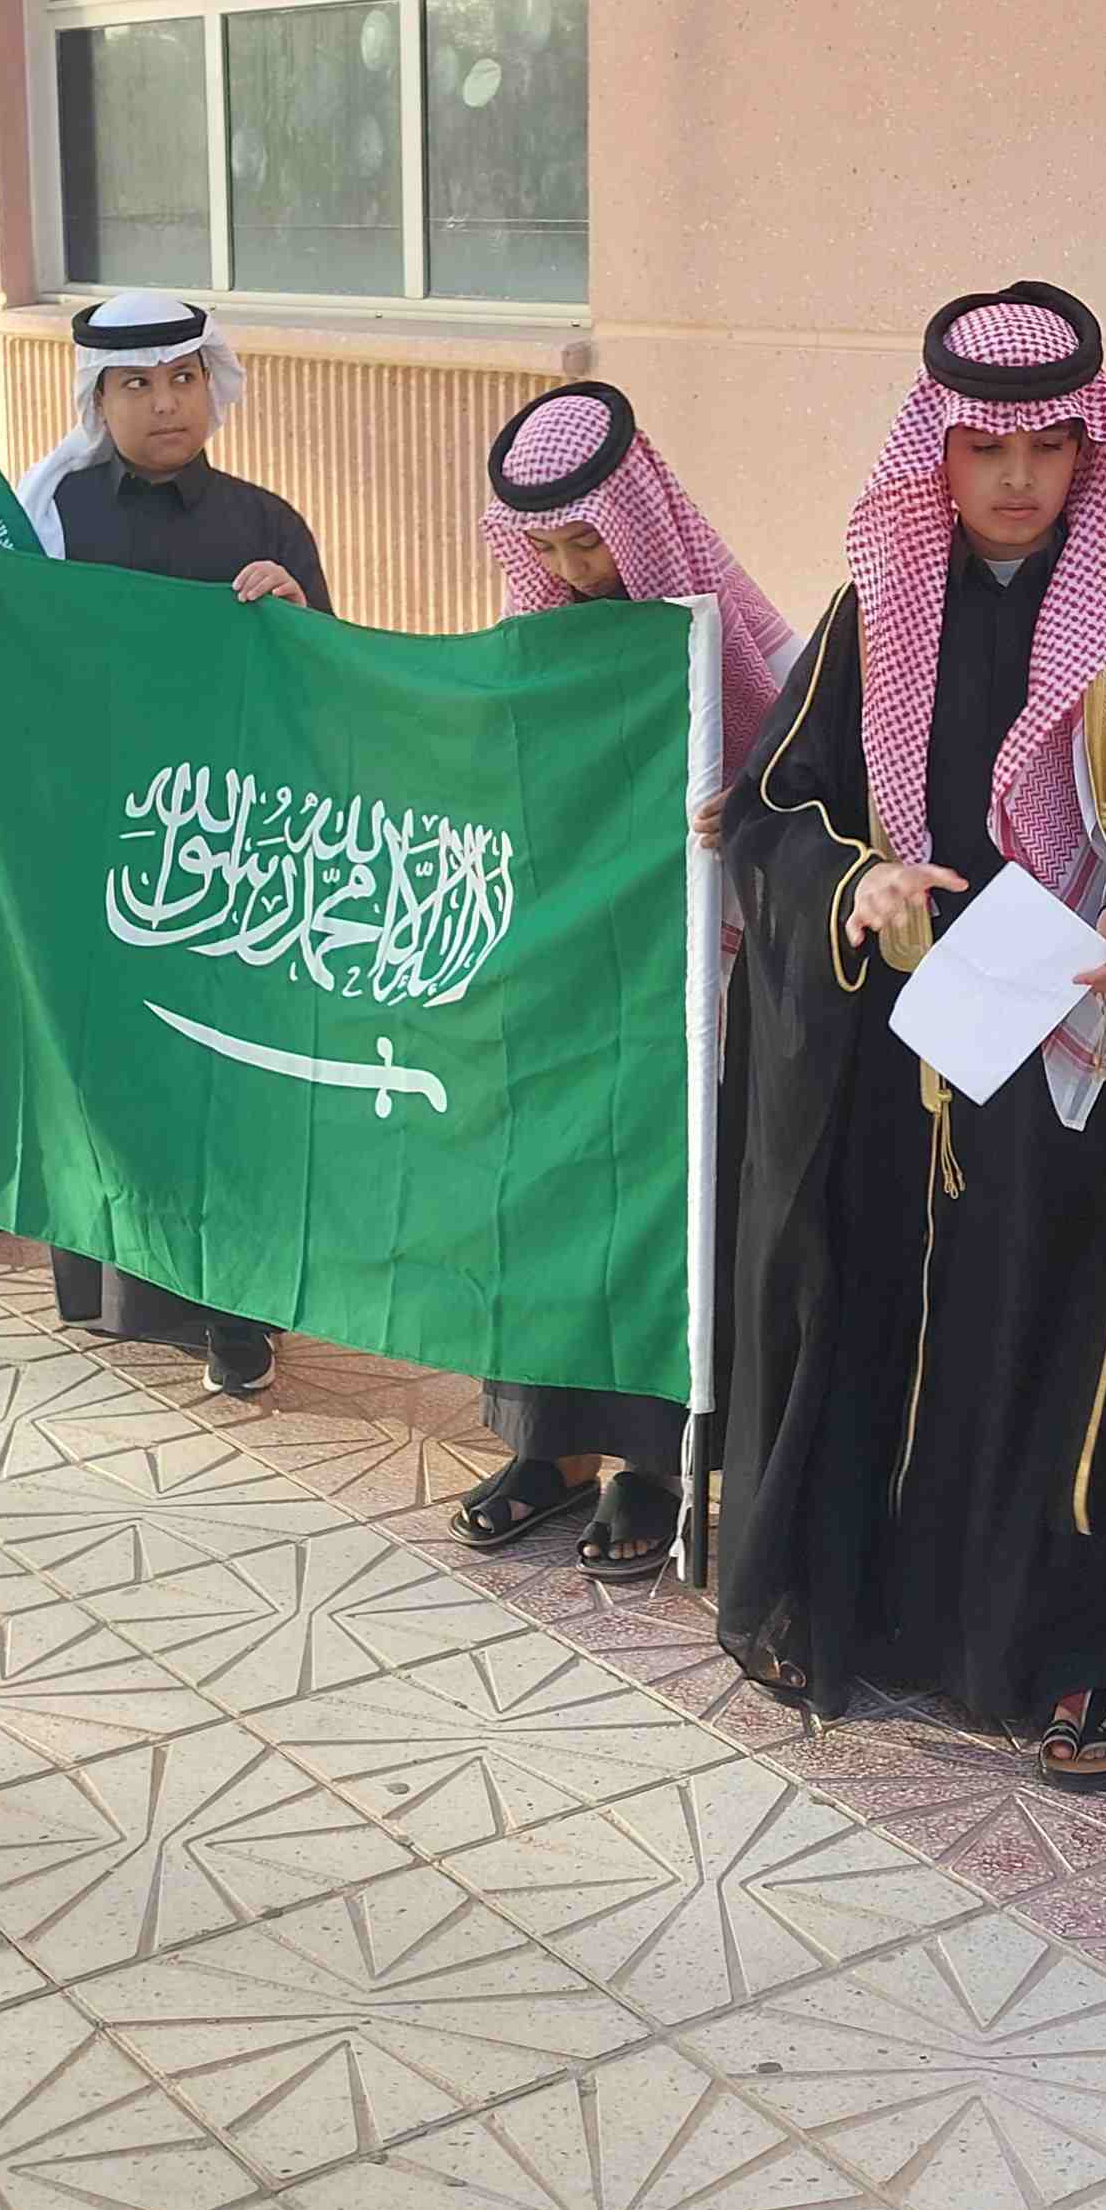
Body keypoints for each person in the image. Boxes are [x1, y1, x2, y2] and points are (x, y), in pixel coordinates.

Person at [710, 284, 1106, 1786]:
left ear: (1093, 451)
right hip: (902, 1056)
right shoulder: (874, 612)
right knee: (885, 1312)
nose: (1019, 479)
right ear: (940, 454)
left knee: (1065, 1332)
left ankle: (1075, 1650)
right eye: (985, 449)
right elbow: (775, 812)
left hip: (1073, 1061)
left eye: (1047, 447)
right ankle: (878, 1605)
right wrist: (858, 884)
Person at [455, 378, 799, 1576]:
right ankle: (546, 1448)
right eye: (545, 547)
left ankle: (653, 1466)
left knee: (664, 1199)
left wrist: (751, 802)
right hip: (566, 968)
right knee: (547, 1186)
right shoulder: (544, 632)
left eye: (589, 541)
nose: (570, 568)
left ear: (638, 516)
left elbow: (811, 765)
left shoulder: (728, 625)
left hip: (687, 979)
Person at [17, 293, 328, 1395]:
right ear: (97, 399)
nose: (165, 404)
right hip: (97, 840)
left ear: (214, 386)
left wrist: (295, 610)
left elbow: (324, 689)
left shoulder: (267, 522)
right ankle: (124, 1293)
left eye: (184, 378)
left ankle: (240, 1311)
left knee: (228, 1082)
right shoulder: (52, 519)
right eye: (138, 385)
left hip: (227, 858)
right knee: (118, 1072)